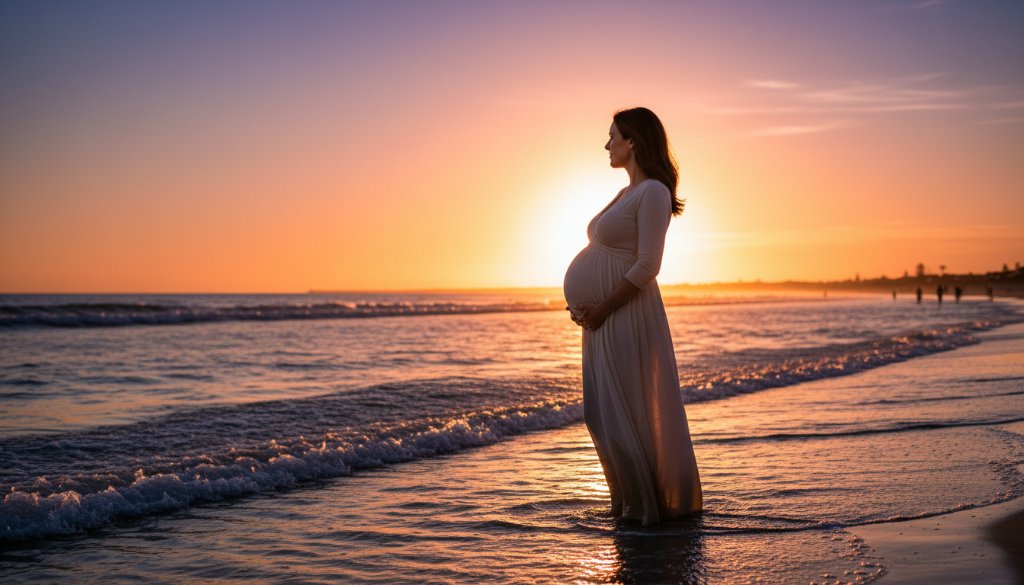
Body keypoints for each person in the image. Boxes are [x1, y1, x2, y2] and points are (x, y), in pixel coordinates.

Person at [563, 107, 702, 525]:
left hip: (624, 314)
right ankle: (624, 504)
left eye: (613, 137)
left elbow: (647, 266)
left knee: (623, 411)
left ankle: (644, 510)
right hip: (601, 319)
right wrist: (584, 308)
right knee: (600, 412)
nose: (607, 145)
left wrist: (602, 306)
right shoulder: (626, 193)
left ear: (633, 141)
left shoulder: (653, 192)